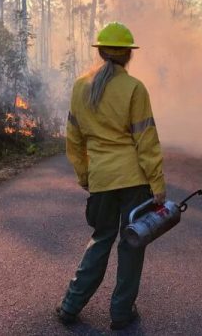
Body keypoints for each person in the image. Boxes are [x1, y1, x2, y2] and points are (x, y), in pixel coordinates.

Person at [56, 22, 166, 331]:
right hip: (135, 182)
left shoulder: (80, 86)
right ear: (129, 54)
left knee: (101, 239)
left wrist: (84, 175)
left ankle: (70, 306)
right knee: (131, 244)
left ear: (101, 51)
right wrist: (157, 184)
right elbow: (146, 140)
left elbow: (73, 139)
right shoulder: (134, 88)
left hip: (102, 180)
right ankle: (121, 314)